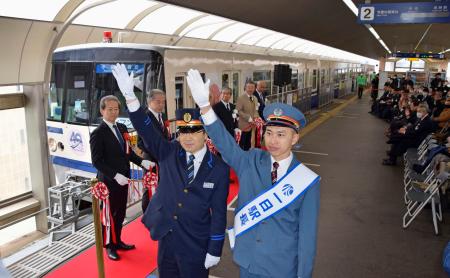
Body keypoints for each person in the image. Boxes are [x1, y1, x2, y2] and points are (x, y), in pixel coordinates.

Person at [187, 69, 320, 278]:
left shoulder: (306, 181)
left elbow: (307, 238)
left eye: (281, 135)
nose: (273, 140)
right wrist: (205, 108)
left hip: (282, 267)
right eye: (269, 133)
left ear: (294, 139)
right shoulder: (251, 161)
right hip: (248, 262)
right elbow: (226, 144)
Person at [112, 64, 230, 278]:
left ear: (206, 134)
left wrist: (215, 247)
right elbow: (146, 128)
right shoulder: (168, 151)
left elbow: (219, 214)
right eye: (183, 131)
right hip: (167, 239)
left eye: (194, 131)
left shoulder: (219, 169)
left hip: (196, 243)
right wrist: (130, 98)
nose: (188, 137)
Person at [90, 95, 153, 261]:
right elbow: (96, 161)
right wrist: (115, 175)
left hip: (124, 178)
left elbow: (128, 152)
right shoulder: (98, 133)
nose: (113, 112)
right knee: (109, 215)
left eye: (116, 109)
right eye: (109, 109)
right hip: (109, 182)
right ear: (102, 110)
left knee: (120, 213)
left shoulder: (122, 128)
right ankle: (109, 246)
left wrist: (142, 162)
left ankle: (118, 241)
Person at [137, 89, 170, 213]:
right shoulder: (144, 117)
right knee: (150, 187)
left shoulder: (162, 116)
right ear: (150, 101)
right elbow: (140, 142)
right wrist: (156, 151)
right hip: (151, 159)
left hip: (163, 158)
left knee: (162, 186)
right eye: (158, 102)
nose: (161, 105)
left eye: (163, 102)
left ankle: (160, 210)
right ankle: (147, 214)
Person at [236, 80, 260, 150]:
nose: (250, 89)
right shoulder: (241, 98)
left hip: (252, 125)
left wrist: (256, 118)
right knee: (241, 144)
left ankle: (247, 156)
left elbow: (256, 110)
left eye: (252, 87)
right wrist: (248, 118)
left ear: (254, 88)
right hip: (243, 125)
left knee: (248, 143)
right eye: (248, 87)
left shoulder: (255, 98)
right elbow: (238, 111)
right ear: (245, 88)